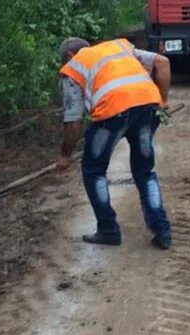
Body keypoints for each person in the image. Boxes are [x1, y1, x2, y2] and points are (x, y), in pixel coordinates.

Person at [56, 36, 173, 249]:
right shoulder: (119, 46)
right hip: (148, 107)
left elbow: (73, 121)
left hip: (111, 114)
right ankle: (162, 230)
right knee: (145, 172)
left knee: (93, 171)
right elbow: (162, 62)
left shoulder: (73, 67)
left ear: (70, 56)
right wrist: (163, 100)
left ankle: (108, 230)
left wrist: (65, 154)